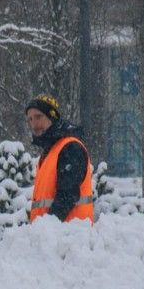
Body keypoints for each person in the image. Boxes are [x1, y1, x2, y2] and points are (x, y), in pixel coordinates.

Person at [25, 93, 94, 223]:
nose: (34, 124)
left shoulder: (70, 148)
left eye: (38, 117)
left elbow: (67, 195)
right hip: (52, 237)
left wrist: (47, 226)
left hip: (69, 236)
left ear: (52, 117)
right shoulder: (50, 152)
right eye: (30, 119)